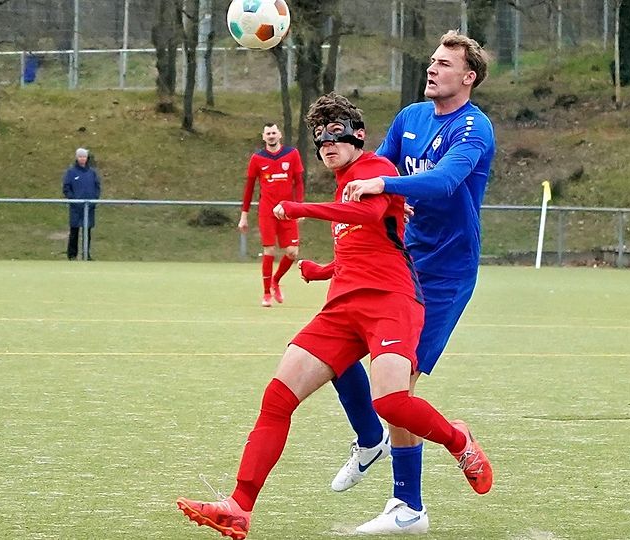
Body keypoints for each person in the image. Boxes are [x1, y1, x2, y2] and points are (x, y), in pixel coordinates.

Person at [176, 93, 492, 540]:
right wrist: (323, 270)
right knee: (277, 398)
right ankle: (239, 506)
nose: (327, 143)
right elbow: (367, 243)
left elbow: (369, 213)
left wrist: (300, 208)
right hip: (342, 308)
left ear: (358, 135)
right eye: (320, 137)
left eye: (336, 133)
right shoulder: (343, 182)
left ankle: (459, 442)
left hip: (392, 302)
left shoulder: (377, 170)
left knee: (391, 402)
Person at [328, 30, 497, 534]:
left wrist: (384, 184)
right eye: (432, 60)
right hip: (401, 259)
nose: (432, 68)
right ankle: (369, 440)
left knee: (398, 385)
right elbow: (374, 165)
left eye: (444, 63)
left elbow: (443, 182)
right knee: (336, 349)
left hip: (446, 272)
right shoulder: (410, 118)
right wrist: (359, 167)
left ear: (468, 77)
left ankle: (409, 507)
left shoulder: (474, 127)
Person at [239, 123, 305, 307]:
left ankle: (276, 280)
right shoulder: (257, 158)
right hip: (267, 211)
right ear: (263, 136)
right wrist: (244, 215)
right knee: (269, 250)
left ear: (279, 134)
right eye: (268, 133)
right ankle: (266, 293)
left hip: (287, 210)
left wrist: (299, 207)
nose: (271, 136)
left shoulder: (292, 154)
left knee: (292, 252)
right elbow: (249, 188)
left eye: (274, 132)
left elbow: (299, 182)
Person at [62, 147, 101, 261]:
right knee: (74, 231)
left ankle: (86, 254)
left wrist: (94, 200)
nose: (82, 159)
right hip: (76, 207)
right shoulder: (71, 172)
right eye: (80, 156)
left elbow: (97, 187)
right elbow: (66, 188)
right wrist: (73, 199)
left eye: (84, 156)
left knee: (87, 231)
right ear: (77, 157)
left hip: (89, 207)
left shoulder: (92, 173)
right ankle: (72, 255)